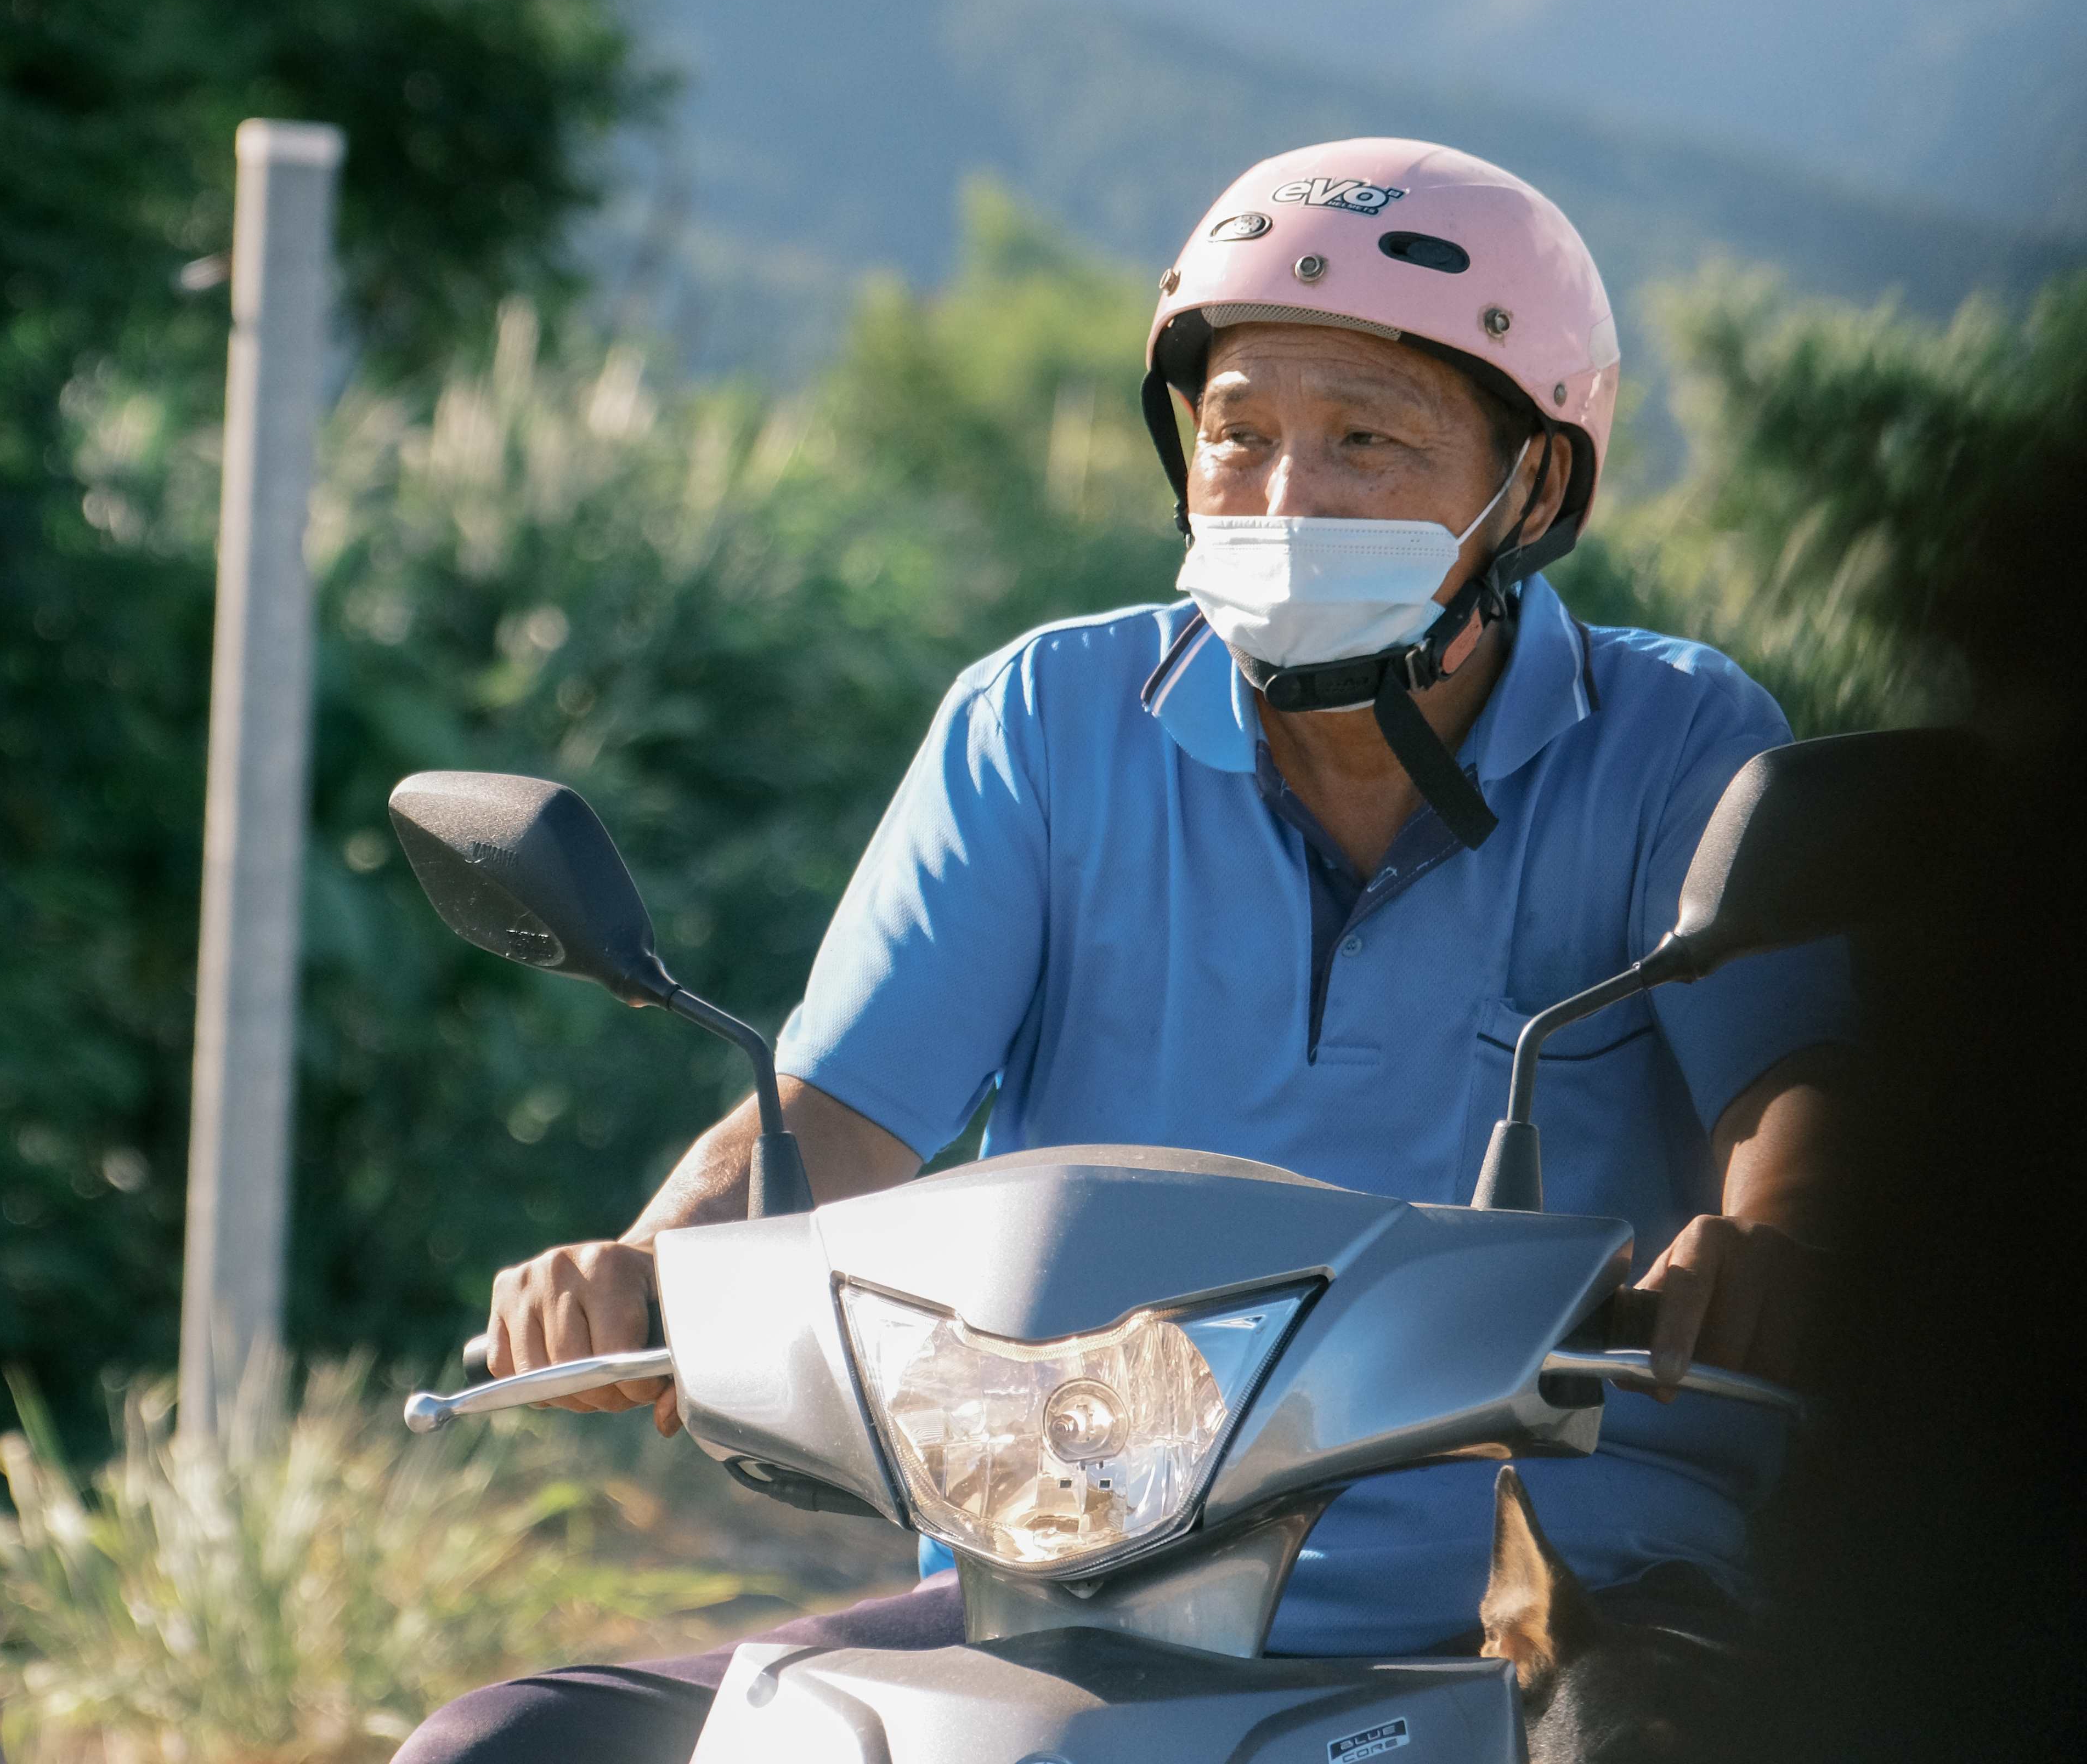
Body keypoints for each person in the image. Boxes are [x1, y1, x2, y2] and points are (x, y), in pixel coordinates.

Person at [393, 138, 1852, 1763]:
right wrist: (647, 1269)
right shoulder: (1045, 723)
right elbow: (840, 1112)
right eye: (1238, 439)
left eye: (1367, 441)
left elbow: (1789, 1097)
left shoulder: (1674, 739)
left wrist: (1767, 1251)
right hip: (1072, 1574)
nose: (1287, 498)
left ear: (1538, 486)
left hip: (1552, 1591)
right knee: (508, 1742)